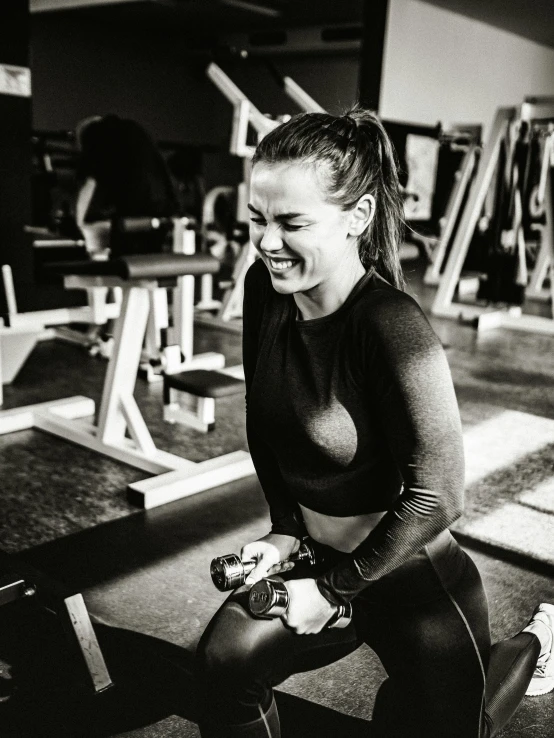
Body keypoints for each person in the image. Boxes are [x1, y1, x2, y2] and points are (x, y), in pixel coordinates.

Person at [195, 108, 554, 738]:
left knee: (465, 721)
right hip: (316, 557)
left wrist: (334, 589)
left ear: (357, 217)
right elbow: (264, 424)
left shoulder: (391, 328)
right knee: (223, 664)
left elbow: (440, 496)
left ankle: (537, 642)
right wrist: (283, 532)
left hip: (411, 575)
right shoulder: (265, 289)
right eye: (257, 219)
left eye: (291, 223)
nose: (267, 242)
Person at [75, 114, 178, 257]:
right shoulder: (134, 133)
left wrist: (80, 225)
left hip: (131, 218)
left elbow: (90, 181)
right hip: (160, 214)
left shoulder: (97, 135)